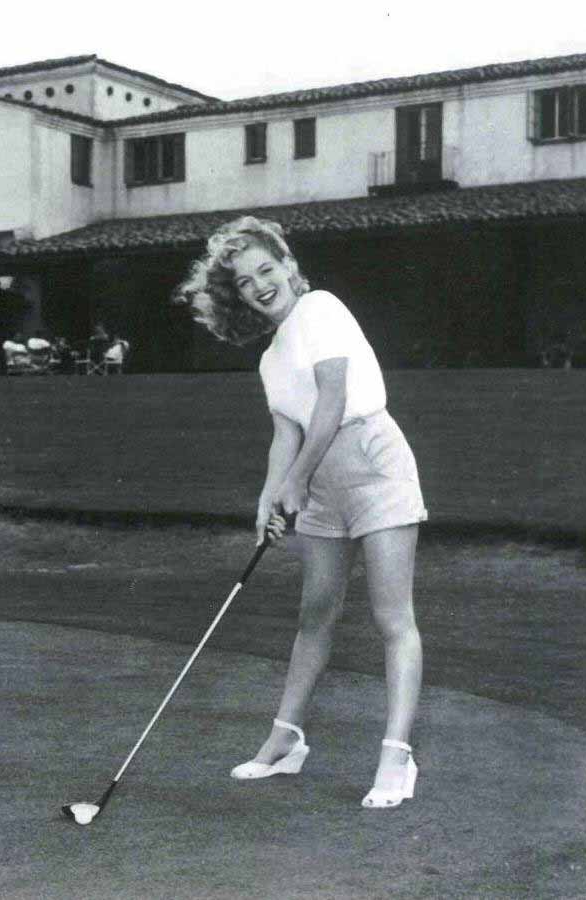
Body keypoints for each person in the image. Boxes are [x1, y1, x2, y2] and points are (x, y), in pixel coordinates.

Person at [176, 216, 427, 809]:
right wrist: (270, 495)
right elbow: (285, 433)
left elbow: (333, 400)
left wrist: (296, 480)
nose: (260, 285)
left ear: (289, 266)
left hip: (375, 465)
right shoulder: (270, 358)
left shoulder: (322, 309)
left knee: (392, 617)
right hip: (320, 486)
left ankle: (397, 756)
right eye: (244, 282)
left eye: (266, 269)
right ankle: (285, 739)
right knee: (315, 614)